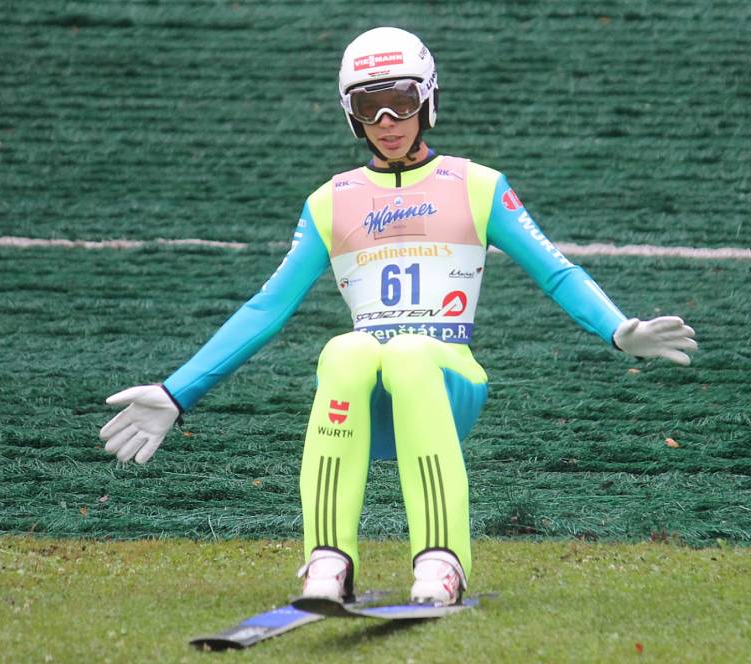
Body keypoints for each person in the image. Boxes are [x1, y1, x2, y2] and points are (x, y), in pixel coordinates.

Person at [99, 27, 697, 606]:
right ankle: (328, 560)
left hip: (447, 380)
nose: (385, 121)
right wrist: (177, 393)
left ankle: (441, 560)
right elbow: (267, 307)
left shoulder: (479, 185)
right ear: (350, 113)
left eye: (400, 101)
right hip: (364, 392)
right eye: (369, 106)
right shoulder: (330, 200)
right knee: (344, 349)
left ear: (427, 100)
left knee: (408, 353)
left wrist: (618, 330)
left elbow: (555, 270)